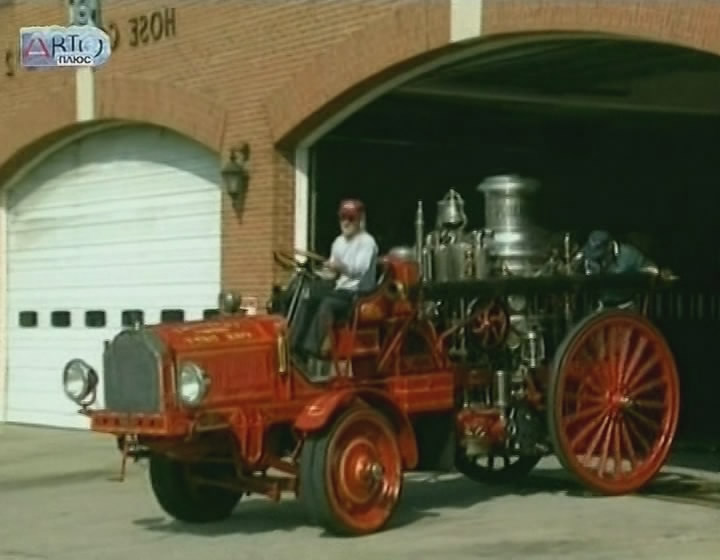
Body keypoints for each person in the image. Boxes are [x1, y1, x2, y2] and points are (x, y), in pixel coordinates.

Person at [297, 199, 378, 363]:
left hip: (359, 294)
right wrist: (319, 272)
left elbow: (359, 270)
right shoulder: (338, 242)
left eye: (350, 218)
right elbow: (333, 274)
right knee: (309, 295)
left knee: (328, 303)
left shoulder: (367, 243)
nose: (346, 222)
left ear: (360, 220)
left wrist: (340, 266)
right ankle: (294, 346)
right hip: (340, 289)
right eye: (343, 217)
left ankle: (311, 350)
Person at [580, 230, 659, 309]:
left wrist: (629, 278)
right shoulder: (586, 253)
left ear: (610, 246)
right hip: (600, 306)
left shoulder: (629, 254)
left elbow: (652, 270)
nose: (597, 258)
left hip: (626, 306)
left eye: (601, 255)